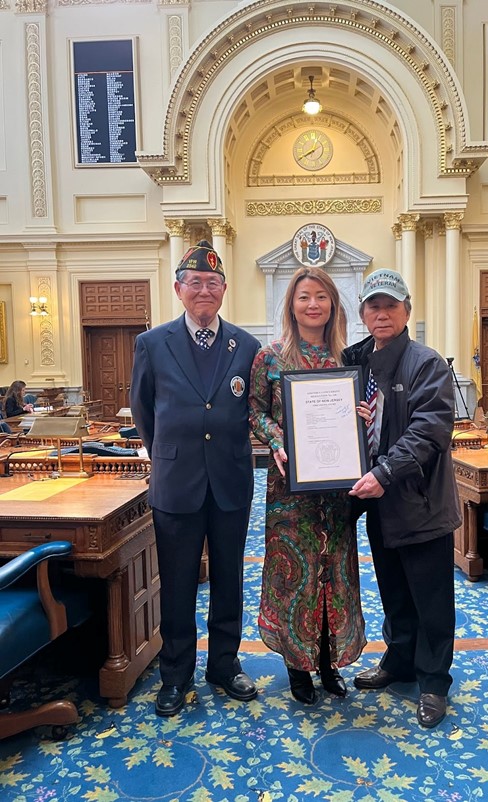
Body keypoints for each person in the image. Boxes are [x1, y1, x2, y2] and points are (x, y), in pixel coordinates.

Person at [130, 240, 261, 717]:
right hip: (176, 482)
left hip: (230, 481)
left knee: (229, 580)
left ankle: (224, 664)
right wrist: (168, 451)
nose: (204, 290)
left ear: (224, 290)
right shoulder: (152, 343)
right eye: (195, 282)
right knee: (179, 584)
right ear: (178, 289)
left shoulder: (246, 346)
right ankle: (176, 674)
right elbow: (144, 411)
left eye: (212, 282)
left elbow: (255, 409)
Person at [343, 269, 461, 728]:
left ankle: (433, 681)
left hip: (419, 501)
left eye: (390, 305)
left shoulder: (426, 363)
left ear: (406, 311)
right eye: (373, 305)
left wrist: (385, 472)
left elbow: (429, 430)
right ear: (363, 314)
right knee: (393, 590)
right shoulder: (356, 363)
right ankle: (399, 661)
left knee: (431, 598)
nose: (382, 313)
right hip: (379, 503)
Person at [249, 266, 366, 705]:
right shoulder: (271, 356)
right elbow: (256, 411)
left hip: (336, 492)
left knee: (333, 573)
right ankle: (298, 666)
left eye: (321, 296)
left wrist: (362, 420)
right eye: (303, 296)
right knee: (294, 575)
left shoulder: (348, 359)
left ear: (333, 304)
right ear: (291, 304)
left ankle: (328, 661)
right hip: (289, 487)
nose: (312, 304)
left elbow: (356, 413)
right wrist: (278, 439)